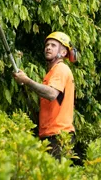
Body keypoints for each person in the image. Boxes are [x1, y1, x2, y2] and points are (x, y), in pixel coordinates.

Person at [12, 31, 75, 160]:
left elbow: (51, 94)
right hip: (52, 135)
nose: (48, 47)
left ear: (63, 52)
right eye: (47, 45)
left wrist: (27, 80)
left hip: (58, 135)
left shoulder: (60, 69)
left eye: (53, 45)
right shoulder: (51, 73)